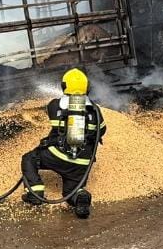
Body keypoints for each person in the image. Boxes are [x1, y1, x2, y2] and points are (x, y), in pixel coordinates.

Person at [21, 68, 106, 218]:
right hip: (82, 162)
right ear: (87, 87)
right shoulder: (95, 110)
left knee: (29, 158)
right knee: (71, 192)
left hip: (57, 155)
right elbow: (102, 131)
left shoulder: (55, 105)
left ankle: (35, 193)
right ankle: (80, 196)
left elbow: (54, 119)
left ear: (63, 86)